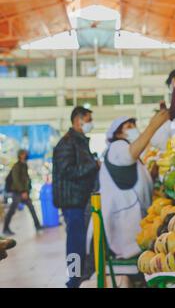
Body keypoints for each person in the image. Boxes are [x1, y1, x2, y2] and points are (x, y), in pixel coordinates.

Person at [87, 110, 170, 259]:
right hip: (121, 223)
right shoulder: (117, 146)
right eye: (128, 126)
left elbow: (134, 180)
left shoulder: (126, 151)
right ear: (118, 134)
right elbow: (130, 155)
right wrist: (153, 126)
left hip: (130, 221)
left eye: (134, 124)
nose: (133, 128)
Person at [52, 106, 99, 288]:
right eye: (88, 120)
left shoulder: (79, 142)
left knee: (80, 242)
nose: (90, 124)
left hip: (81, 200)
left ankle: (79, 277)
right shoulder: (67, 142)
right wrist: (93, 166)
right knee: (75, 242)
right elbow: (66, 171)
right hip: (72, 202)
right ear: (78, 120)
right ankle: (73, 280)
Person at [3, 150, 42, 235]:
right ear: (20, 155)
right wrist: (22, 191)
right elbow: (16, 180)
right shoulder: (17, 166)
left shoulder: (24, 165)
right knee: (12, 210)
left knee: (31, 208)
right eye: (24, 154)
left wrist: (27, 189)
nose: (26, 155)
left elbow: (26, 179)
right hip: (18, 192)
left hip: (24, 192)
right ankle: (5, 228)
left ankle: (38, 225)